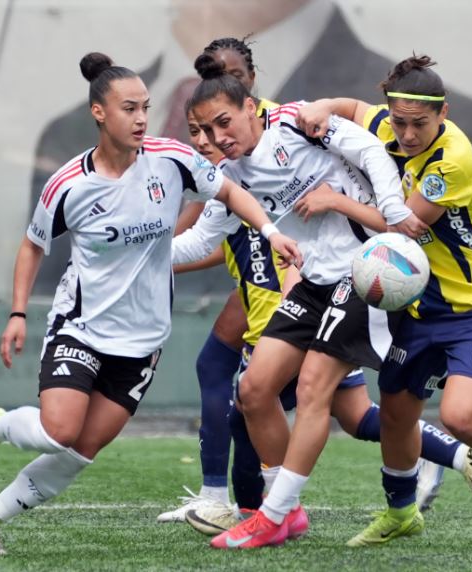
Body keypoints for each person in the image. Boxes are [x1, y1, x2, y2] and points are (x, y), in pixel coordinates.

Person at [0, 51, 301, 558]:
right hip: (82, 327)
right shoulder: (69, 184)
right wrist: (18, 313)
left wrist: (269, 231)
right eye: (129, 108)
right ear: (99, 112)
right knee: (59, 430)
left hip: (143, 342)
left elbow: (230, 191)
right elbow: (32, 245)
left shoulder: (170, 160)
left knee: (81, 450)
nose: (140, 119)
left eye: (145, 108)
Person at [175, 109, 472, 537]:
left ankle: (264, 510)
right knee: (277, 398)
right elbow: (204, 242)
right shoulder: (229, 179)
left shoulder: (294, 131)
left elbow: (366, 158)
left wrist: (367, 208)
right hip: (303, 294)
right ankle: (258, 505)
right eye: (197, 131)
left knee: (307, 398)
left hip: (340, 288)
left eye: (217, 126)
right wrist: (140, 257)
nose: (206, 139)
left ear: (248, 107)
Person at [297, 55, 472, 545]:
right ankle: (401, 513)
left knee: (460, 417)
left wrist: (335, 200)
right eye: (399, 122)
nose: (407, 133)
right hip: (419, 307)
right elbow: (354, 108)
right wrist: (323, 105)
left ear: (443, 114)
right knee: (396, 413)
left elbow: (403, 225)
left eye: (419, 123)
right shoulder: (387, 123)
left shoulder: (451, 161)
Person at [157, 37, 282, 522]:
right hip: (255, 277)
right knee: (220, 372)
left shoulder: (277, 128)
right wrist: (150, 257)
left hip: (292, 281)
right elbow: (205, 230)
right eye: (215, 78)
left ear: (252, 80)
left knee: (295, 398)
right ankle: (222, 500)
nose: (226, 86)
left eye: (235, 77)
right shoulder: (218, 138)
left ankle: (423, 450)